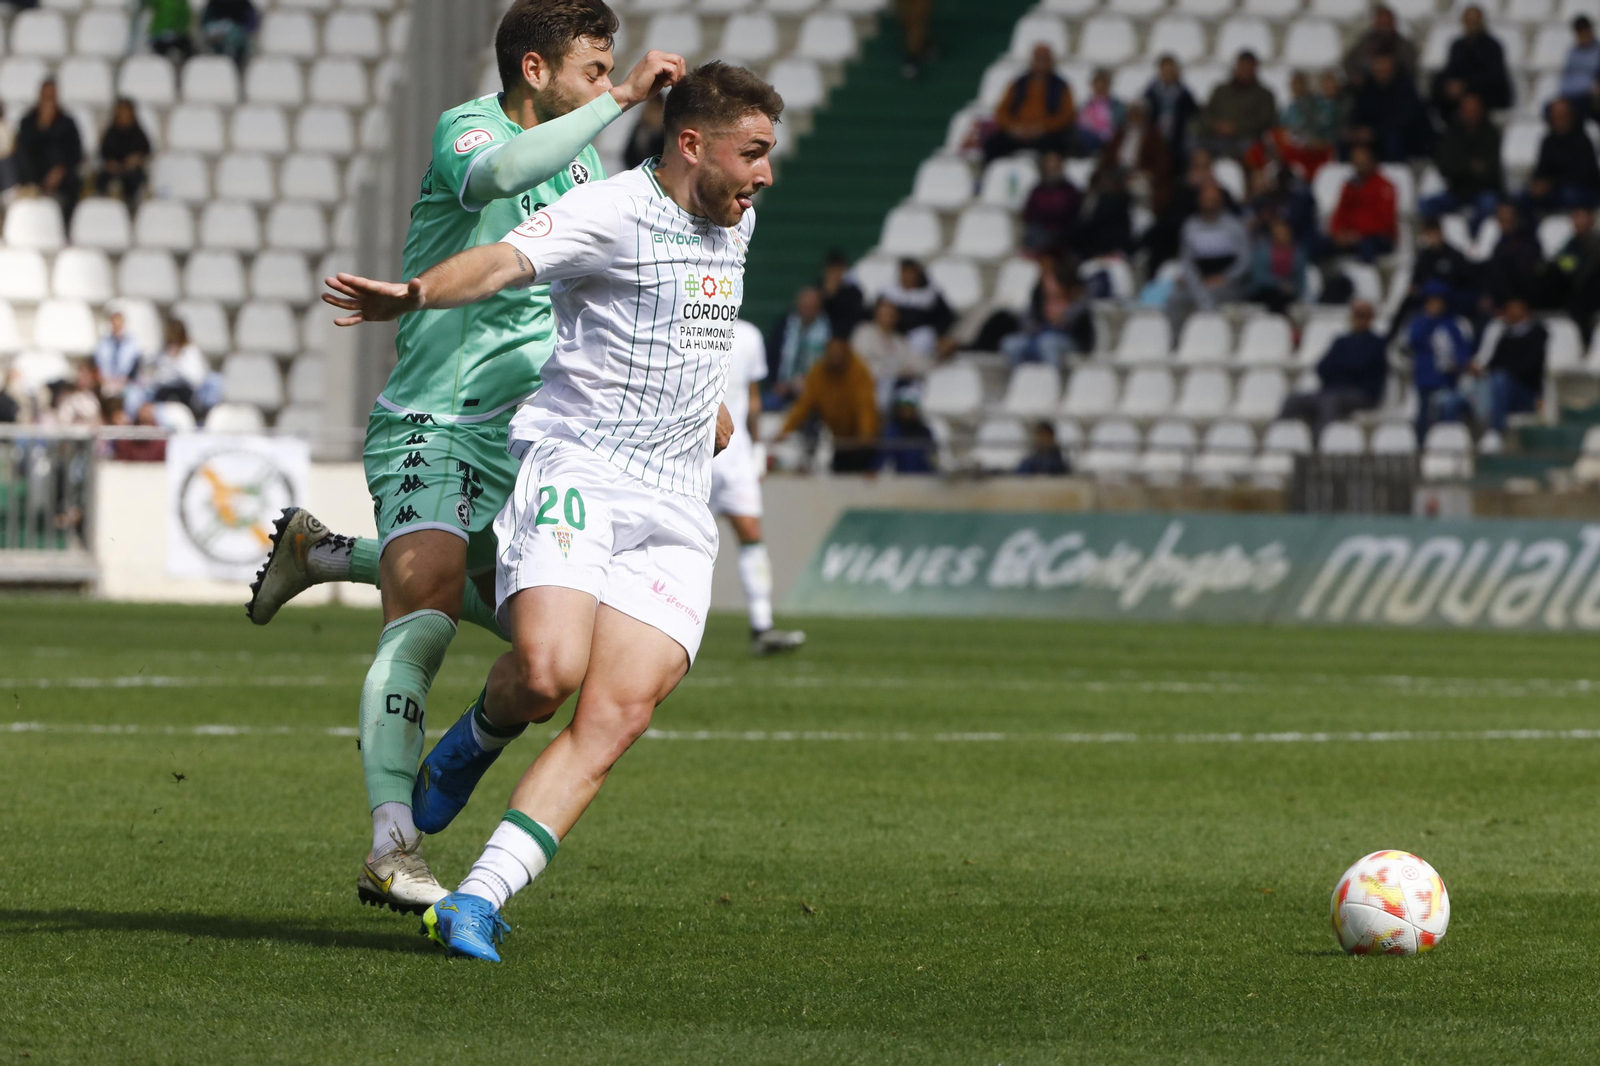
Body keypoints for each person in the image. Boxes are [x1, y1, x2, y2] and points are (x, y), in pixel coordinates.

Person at [322, 60, 778, 963]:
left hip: (676, 502)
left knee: (617, 717)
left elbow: (689, 327)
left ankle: (477, 900)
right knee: (546, 672)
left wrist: (707, 403)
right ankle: (477, 734)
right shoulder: (610, 210)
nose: (765, 175)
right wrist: (415, 294)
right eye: (753, 153)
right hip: (582, 469)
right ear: (692, 144)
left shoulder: (738, 217)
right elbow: (503, 261)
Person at [244, 0, 687, 917]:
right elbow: (498, 178)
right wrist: (623, 102)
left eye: (610, 73)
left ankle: (325, 554)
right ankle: (391, 844)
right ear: (535, 70)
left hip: (536, 436)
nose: (605, 86)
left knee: (547, 656)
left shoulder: (582, 164)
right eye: (592, 71)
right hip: (437, 421)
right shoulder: (470, 130)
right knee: (429, 613)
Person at [711, 320, 806, 655]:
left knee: (751, 534)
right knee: (675, 538)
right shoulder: (685, 319)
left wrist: (757, 447)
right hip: (691, 454)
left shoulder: (750, 335)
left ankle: (762, 626)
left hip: (736, 456)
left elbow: (753, 398)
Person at [1279, 299, 1387, 431]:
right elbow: (1322, 368)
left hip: (1361, 394)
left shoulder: (1377, 343)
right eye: (1357, 314)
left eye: (1363, 315)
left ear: (1371, 318)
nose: (1359, 318)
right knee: (1293, 400)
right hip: (1332, 390)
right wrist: (1346, 367)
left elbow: (1361, 367)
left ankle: (1322, 442)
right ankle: (1278, 438)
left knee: (1329, 402)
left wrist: (1341, 367)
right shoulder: (1341, 341)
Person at [779, 335, 880, 472]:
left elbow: (865, 407)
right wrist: (784, 431)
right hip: (837, 438)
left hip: (859, 440)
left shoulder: (859, 371)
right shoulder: (818, 372)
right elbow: (803, 404)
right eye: (832, 353)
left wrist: (866, 435)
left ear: (846, 352)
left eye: (839, 354)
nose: (835, 358)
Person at [1387, 217, 1476, 344]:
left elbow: (1465, 280)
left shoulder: (1454, 255)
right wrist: (1415, 288)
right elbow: (1416, 278)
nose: (1431, 238)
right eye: (1428, 235)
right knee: (1407, 302)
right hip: (1426, 297)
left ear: (1440, 233)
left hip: (1449, 298)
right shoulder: (1424, 256)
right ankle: (1392, 337)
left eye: (1433, 234)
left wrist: (1443, 295)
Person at [984, 44, 1075, 164]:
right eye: (1038, 59)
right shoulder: (1018, 83)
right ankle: (993, 173)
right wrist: (1014, 128)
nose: (1041, 63)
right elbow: (1001, 111)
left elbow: (1067, 115)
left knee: (1058, 146)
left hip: (1046, 134)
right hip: (1017, 132)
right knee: (992, 144)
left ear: (1051, 62)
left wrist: (1042, 128)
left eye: (1044, 59)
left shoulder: (1061, 86)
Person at [1169, 182, 1248, 321]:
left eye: (1213, 200)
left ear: (1220, 201)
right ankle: (1178, 335)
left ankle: (1212, 330)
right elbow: (1186, 260)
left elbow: (1244, 261)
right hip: (1197, 282)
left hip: (1227, 284)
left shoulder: (1234, 226)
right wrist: (1195, 280)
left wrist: (1225, 277)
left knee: (1208, 297)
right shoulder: (1190, 227)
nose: (1210, 203)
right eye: (1206, 199)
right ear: (1199, 201)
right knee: (1175, 299)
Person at [1423, 93, 1502, 230]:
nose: (1471, 115)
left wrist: (1461, 166)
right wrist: (1472, 167)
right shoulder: (1452, 133)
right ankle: (1440, 239)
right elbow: (1445, 168)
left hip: (1483, 192)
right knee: (1425, 205)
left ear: (1482, 111)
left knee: (1490, 204)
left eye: (1474, 110)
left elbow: (1492, 171)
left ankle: (1472, 238)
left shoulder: (1491, 134)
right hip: (1456, 192)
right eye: (1467, 111)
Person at [1406, 282, 1474, 441]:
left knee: (1447, 413)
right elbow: (1414, 341)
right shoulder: (1418, 322)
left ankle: (1446, 443)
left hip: (1447, 380)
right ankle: (1422, 445)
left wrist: (1458, 363)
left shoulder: (1452, 324)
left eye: (1439, 302)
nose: (1435, 305)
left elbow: (1462, 349)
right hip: (1425, 380)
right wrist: (1429, 319)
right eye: (1432, 301)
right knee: (1425, 417)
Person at [13, 80, 83, 225]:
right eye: (46, 96)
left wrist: (60, 170)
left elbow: (76, 153)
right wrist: (42, 126)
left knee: (74, 182)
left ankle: (65, 226)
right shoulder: (27, 122)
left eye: (52, 96)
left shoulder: (67, 123)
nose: (48, 101)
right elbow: (24, 151)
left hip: (60, 174)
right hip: (33, 174)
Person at [1001, 258, 1094, 366]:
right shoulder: (1038, 293)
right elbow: (1028, 321)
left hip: (1068, 339)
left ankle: (1051, 376)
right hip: (1038, 336)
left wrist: (1062, 316)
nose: (1046, 281)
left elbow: (1070, 319)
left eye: (1049, 276)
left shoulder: (1078, 294)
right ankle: (1020, 376)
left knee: (1047, 343)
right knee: (1011, 343)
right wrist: (1034, 326)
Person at [1430, 5, 1512, 122]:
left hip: (1486, 93)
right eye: (1468, 21)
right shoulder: (1457, 46)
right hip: (1462, 93)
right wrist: (1450, 85)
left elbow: (1493, 77)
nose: (1472, 25)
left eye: (1474, 21)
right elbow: (1452, 69)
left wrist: (1465, 85)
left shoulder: (1493, 46)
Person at [1348, 51, 1431, 163]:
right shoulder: (1367, 87)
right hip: (1373, 134)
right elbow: (1358, 112)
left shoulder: (1405, 87)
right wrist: (1355, 130)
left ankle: (1395, 170)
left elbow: (1406, 119)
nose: (1381, 70)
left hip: (1402, 135)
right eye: (1378, 66)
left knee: (1392, 138)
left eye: (1384, 66)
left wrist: (1375, 131)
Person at [1321, 145, 1397, 263]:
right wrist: (1338, 233)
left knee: (1367, 247)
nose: (1360, 165)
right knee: (1319, 244)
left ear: (1372, 161)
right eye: (1356, 162)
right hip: (1350, 237)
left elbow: (1384, 221)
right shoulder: (1349, 186)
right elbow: (1340, 213)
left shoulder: (1385, 186)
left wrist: (1357, 234)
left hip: (1377, 237)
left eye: (1363, 162)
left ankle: (1368, 274)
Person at [1480, 297, 1546, 432]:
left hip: (1526, 393)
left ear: (1525, 312)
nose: (1510, 313)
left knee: (1500, 379)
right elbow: (1493, 364)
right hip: (1502, 388)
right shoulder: (1505, 337)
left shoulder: (1537, 334)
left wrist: (1507, 372)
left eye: (1515, 309)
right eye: (1508, 309)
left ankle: (1495, 431)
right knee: (1478, 385)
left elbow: (1532, 367)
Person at [1527, 97, 1600, 215]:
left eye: (1563, 116)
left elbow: (1585, 176)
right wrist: (1537, 184)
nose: (1560, 121)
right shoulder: (1548, 141)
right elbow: (1541, 169)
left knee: (1570, 193)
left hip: (1582, 191)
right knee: (1524, 196)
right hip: (1555, 192)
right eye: (1556, 117)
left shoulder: (1583, 141)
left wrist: (1552, 184)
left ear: (1572, 116)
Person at [1200, 51, 1278, 160]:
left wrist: (1237, 128)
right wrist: (1217, 125)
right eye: (1242, 67)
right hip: (1216, 137)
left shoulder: (1264, 95)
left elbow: (1264, 121)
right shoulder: (1220, 91)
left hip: (1247, 140)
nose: (1244, 71)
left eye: (1248, 67)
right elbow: (1206, 113)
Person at [851, 296, 926, 409]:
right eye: (885, 313)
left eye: (892, 314)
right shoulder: (864, 333)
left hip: (895, 387)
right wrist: (894, 370)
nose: (888, 317)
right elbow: (860, 366)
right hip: (867, 386)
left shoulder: (899, 340)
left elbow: (914, 364)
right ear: (876, 313)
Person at [883, 258, 955, 361]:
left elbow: (946, 317)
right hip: (893, 336)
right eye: (904, 272)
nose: (907, 277)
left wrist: (939, 335)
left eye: (910, 273)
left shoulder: (931, 294)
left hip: (922, 338)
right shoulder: (889, 293)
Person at [770, 285, 831, 407]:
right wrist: (775, 383)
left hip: (815, 391)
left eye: (812, 305)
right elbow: (771, 355)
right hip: (782, 389)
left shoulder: (827, 331)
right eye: (805, 305)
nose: (808, 309)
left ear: (819, 307)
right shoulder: (786, 325)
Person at [1550, 207, 1600, 342]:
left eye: (1582, 218)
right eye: (1576, 218)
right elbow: (1563, 264)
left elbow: (1587, 271)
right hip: (1572, 291)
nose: (1578, 222)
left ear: (1591, 221)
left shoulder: (1596, 244)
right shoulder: (1571, 243)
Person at [1481, 201, 1545, 306]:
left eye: (1507, 218)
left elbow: (1526, 274)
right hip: (1500, 300)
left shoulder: (1528, 241)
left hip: (1522, 300)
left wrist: (1514, 301)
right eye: (1500, 218)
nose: (1503, 220)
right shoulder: (1499, 240)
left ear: (1516, 218)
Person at [1143, 54, 1198, 169]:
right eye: (1165, 70)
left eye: (1170, 70)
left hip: (1178, 137)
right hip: (1155, 136)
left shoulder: (1184, 93)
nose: (1168, 74)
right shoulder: (1151, 92)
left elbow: (1193, 112)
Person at [1342, 5, 1418, 88]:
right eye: (1381, 23)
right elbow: (1349, 62)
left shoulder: (1404, 45)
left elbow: (1411, 66)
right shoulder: (1366, 42)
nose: (1384, 27)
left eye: (1386, 23)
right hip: (1368, 87)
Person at [95, 100, 152, 209]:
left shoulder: (138, 133)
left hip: (132, 171)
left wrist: (136, 159)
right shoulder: (111, 132)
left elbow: (145, 151)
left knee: (134, 179)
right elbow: (104, 153)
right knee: (102, 179)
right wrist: (111, 164)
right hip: (113, 170)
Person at [1020, 150, 1080, 253]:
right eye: (1049, 167)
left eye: (1055, 167)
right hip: (1041, 234)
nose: (1052, 170)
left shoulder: (1070, 190)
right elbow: (1029, 216)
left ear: (1060, 167)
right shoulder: (1036, 191)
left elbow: (1073, 215)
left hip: (1064, 234)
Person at [1246, 218, 1307, 316]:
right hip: (1264, 292)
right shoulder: (1262, 251)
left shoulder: (1298, 254)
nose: (1281, 236)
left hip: (1288, 294)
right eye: (1278, 233)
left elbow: (1300, 279)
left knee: (1285, 299)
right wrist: (1279, 284)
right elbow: (1258, 276)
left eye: (1284, 233)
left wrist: (1294, 288)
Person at [875, 386, 937, 473]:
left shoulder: (924, 432)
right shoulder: (892, 431)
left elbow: (933, 456)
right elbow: (884, 454)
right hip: (903, 475)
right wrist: (875, 468)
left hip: (923, 475)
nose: (906, 413)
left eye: (910, 409)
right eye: (903, 409)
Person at [92, 311, 143, 402]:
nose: (117, 324)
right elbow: (97, 364)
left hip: (126, 382)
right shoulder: (103, 342)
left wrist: (124, 381)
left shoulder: (132, 343)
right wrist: (104, 380)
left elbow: (135, 366)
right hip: (106, 382)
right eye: (114, 321)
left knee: (134, 396)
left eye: (119, 322)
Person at [1558, 16, 1600, 119]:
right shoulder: (1572, 53)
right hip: (1575, 97)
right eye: (1580, 32)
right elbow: (1565, 81)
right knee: (1554, 109)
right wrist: (1587, 87)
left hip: (1591, 99)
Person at [1075, 69, 1124, 156]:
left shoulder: (1117, 106)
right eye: (1097, 83)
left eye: (1103, 83)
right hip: (1084, 141)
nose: (1100, 86)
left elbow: (1118, 127)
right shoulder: (1086, 105)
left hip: (1106, 144)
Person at [818, 248, 865, 336]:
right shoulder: (816, 289)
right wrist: (827, 295)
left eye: (839, 270)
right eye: (832, 270)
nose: (835, 275)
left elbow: (852, 320)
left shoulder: (854, 293)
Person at [200, 0, 259, 69]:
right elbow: (205, 27)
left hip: (240, 45)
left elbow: (251, 25)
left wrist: (236, 31)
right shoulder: (213, 4)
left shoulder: (245, 4)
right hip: (216, 44)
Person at [622, 94, 664, 170]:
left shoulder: (665, 134)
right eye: (649, 108)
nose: (651, 114)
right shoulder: (639, 129)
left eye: (654, 110)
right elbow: (628, 155)